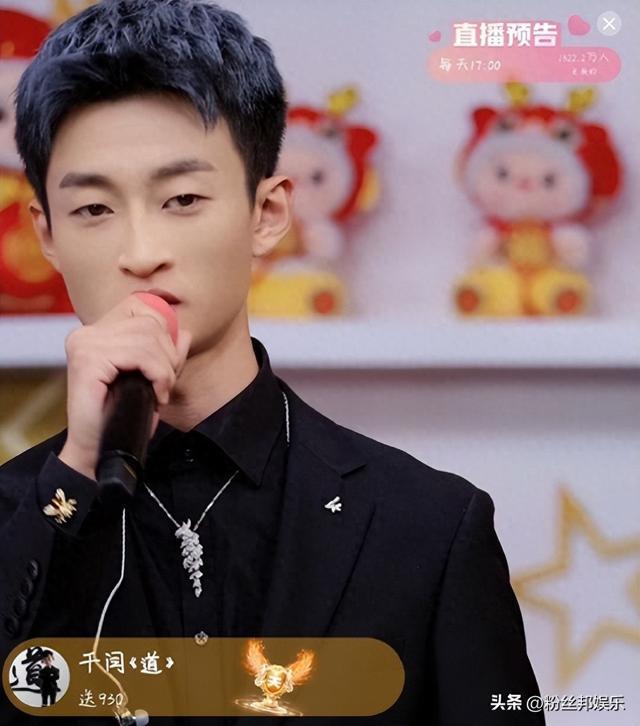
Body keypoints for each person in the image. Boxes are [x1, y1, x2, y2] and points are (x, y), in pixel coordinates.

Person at [0, 1, 545, 724]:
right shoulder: (20, 518)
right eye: (94, 210)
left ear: (268, 214)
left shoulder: (426, 525)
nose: (140, 253)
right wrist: (72, 478)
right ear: (47, 235)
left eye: (182, 198)